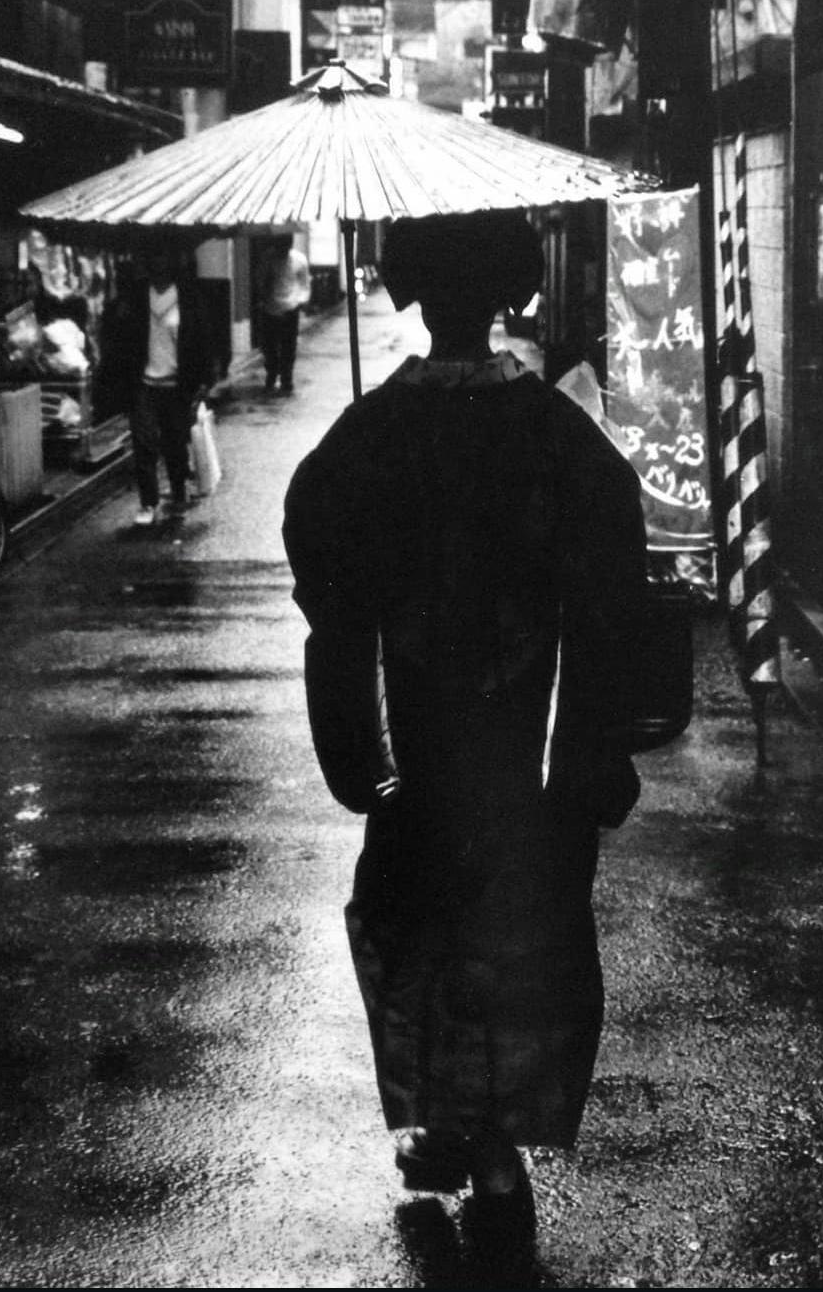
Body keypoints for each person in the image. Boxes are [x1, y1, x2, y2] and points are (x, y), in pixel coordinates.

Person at [281, 211, 647, 1261]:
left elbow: (326, 577)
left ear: (414, 295)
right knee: (522, 930)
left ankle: (445, 1124)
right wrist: (594, 738)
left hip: (418, 740)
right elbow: (615, 573)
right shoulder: (549, 430)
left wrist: (356, 744)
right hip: (529, 741)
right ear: (508, 295)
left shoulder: (370, 434)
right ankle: (495, 1146)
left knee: (416, 922)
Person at [125, 248, 211, 527]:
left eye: (164, 258)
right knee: (144, 442)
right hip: (144, 383)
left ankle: (177, 493)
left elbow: (200, 340)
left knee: (175, 442)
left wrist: (203, 382)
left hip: (177, 384)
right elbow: (123, 337)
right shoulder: (137, 296)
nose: (159, 263)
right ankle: (148, 502)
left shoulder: (188, 297)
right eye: (154, 258)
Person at [259, 237, 311, 395]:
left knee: (289, 346)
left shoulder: (299, 260)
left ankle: (286, 379)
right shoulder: (267, 259)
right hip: (271, 307)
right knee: (270, 347)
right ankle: (272, 375)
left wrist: (301, 301)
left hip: (291, 307)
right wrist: (263, 298)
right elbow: (260, 280)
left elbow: (304, 283)